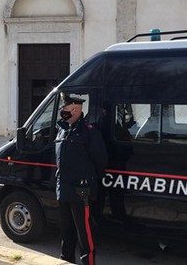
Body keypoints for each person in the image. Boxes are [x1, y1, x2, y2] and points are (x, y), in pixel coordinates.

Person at [55, 93, 108, 265]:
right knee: (65, 231)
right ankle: (66, 260)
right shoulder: (62, 130)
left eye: (66, 109)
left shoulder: (89, 132)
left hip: (80, 190)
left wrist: (87, 179)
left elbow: (100, 160)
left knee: (84, 234)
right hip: (63, 189)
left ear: (76, 110)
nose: (63, 112)